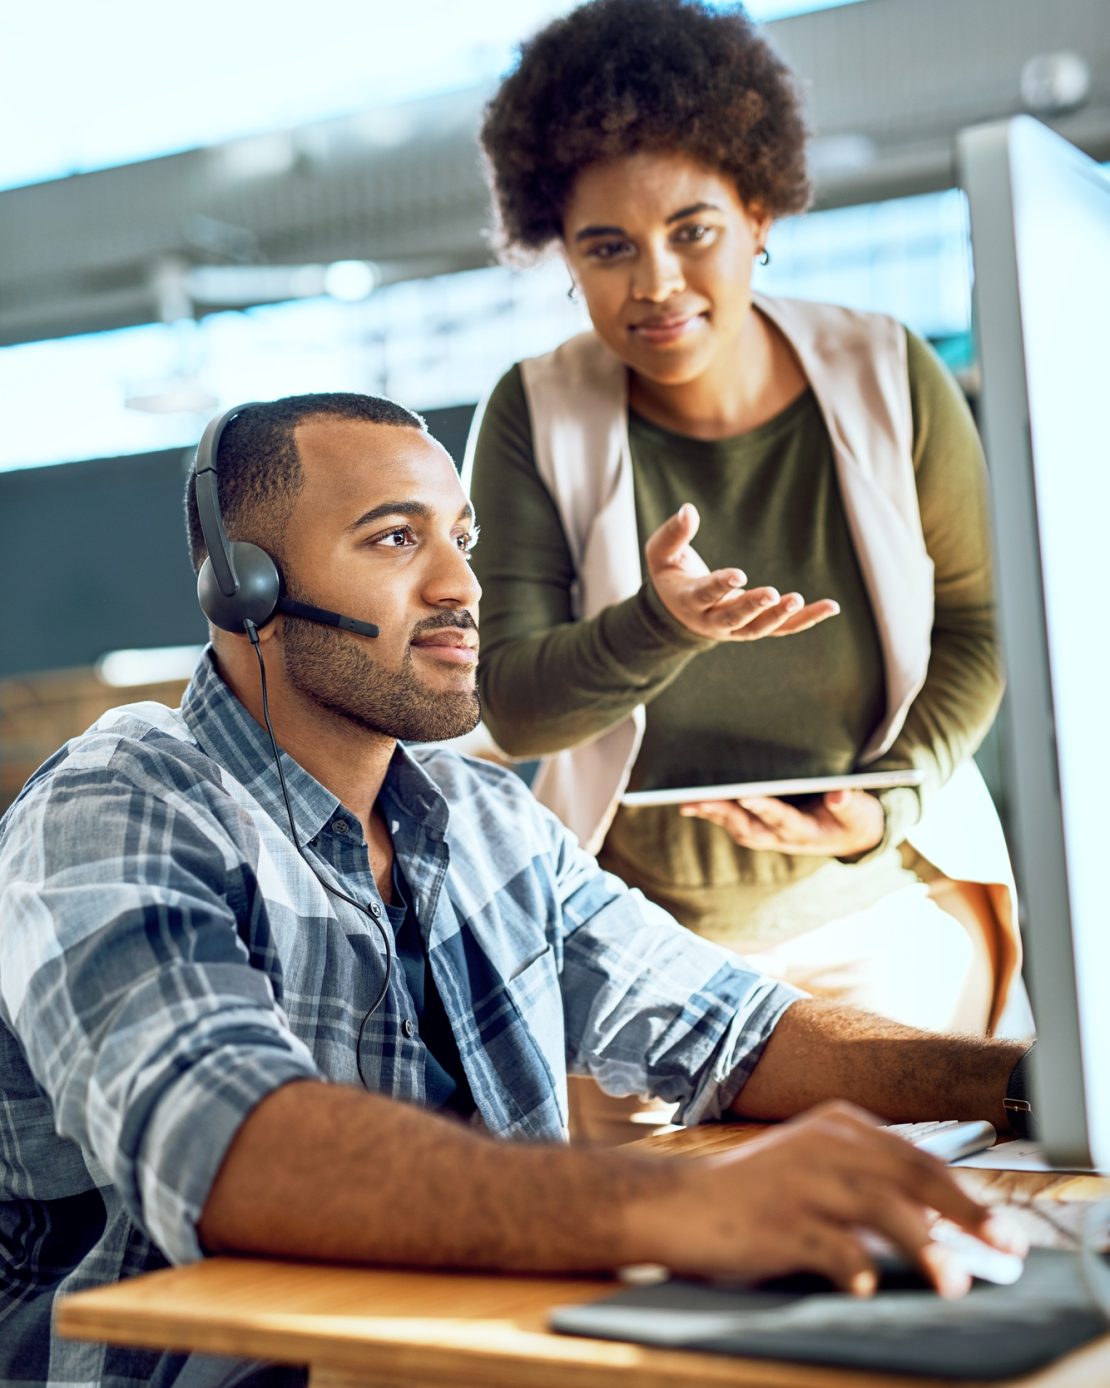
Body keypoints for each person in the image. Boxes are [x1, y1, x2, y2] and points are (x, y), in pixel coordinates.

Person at [0, 394, 1032, 1388]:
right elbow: (220, 1142)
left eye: (463, 535)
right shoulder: (119, 800)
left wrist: (1029, 1084)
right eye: (397, 539)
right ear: (248, 589)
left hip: (459, 1353)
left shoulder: (479, 812)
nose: (463, 584)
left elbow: (737, 1029)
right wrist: (667, 1200)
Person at [466, 0, 1023, 1095]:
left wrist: (886, 810)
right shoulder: (536, 410)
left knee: (907, 1199)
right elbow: (514, 704)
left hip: (878, 910)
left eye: (694, 229)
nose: (657, 283)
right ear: (562, 254)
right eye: (607, 247)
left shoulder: (885, 372)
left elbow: (982, 626)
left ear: (759, 209)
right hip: (631, 947)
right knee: (662, 1246)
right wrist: (660, 625)